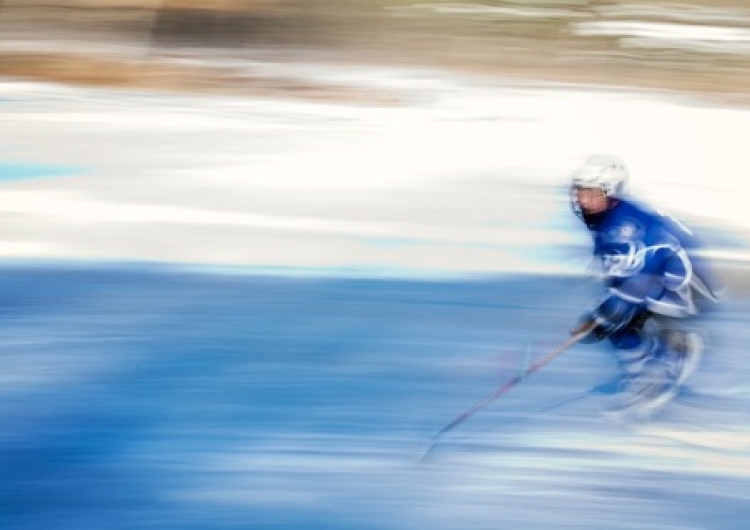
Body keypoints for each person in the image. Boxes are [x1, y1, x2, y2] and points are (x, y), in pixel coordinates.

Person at [568, 154, 722, 416]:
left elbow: (647, 270)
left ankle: (671, 358)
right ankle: (647, 369)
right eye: (581, 192)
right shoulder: (607, 218)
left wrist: (610, 310)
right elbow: (621, 274)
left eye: (593, 192)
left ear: (611, 192)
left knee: (618, 319)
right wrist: (605, 311)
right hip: (659, 278)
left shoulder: (626, 225)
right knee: (614, 321)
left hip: (686, 283)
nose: (585, 199)